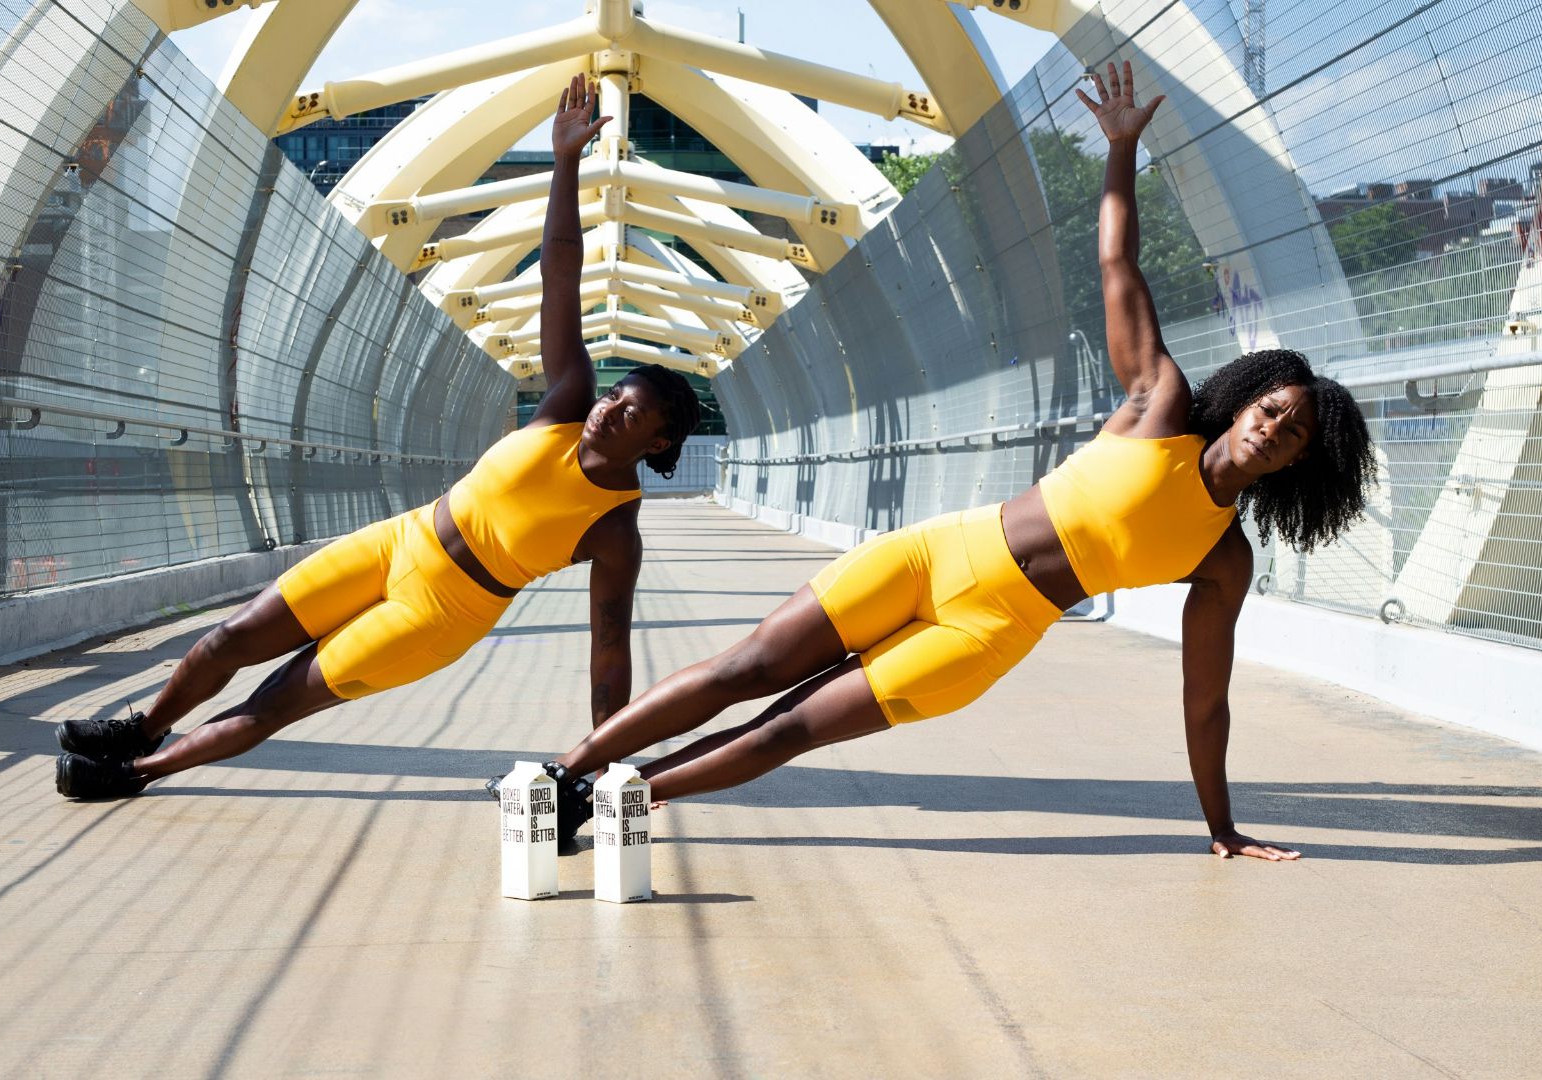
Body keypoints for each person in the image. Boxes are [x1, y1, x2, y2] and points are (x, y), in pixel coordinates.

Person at [523, 63, 1375, 862]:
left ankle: (604, 808)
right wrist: (1120, 149)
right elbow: (1119, 265)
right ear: (1249, 396)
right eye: (1275, 411)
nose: (1276, 430)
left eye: (1296, 435)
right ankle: (563, 772)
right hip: (934, 554)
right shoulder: (1158, 406)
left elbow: (1205, 700)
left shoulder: (1224, 557)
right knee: (744, 670)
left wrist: (1221, 824)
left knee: (786, 730)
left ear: (1301, 464)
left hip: (986, 633)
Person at [56, 74, 699, 804]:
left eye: (630, 411)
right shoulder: (564, 402)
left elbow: (608, 654)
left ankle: (134, 774)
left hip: (437, 614)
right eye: (616, 393)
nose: (609, 407)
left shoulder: (616, 528)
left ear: (658, 441)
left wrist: (598, 764)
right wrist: (564, 164)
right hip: (401, 539)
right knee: (229, 638)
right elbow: (559, 273)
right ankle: (142, 730)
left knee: (274, 700)